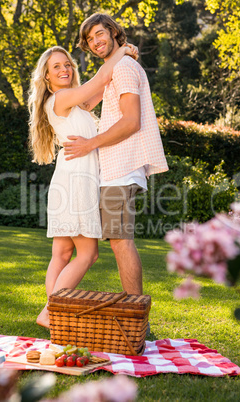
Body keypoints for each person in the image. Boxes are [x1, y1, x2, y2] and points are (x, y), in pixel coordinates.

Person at [28, 43, 138, 328]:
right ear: (47, 77)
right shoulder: (61, 97)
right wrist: (121, 52)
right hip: (77, 181)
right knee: (88, 253)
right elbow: (101, 78)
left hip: (69, 178)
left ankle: (53, 315)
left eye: (67, 64)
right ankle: (52, 312)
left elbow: (102, 88)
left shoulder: (73, 103)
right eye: (57, 67)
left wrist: (120, 65)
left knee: (62, 254)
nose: (64, 69)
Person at [63, 13, 169, 298]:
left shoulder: (123, 68)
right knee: (118, 241)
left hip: (122, 167)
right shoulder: (116, 69)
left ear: (112, 32)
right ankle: (138, 315)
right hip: (114, 169)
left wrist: (90, 144)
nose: (95, 42)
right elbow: (86, 101)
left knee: (121, 242)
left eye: (99, 34)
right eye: (89, 39)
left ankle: (137, 315)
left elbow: (131, 120)